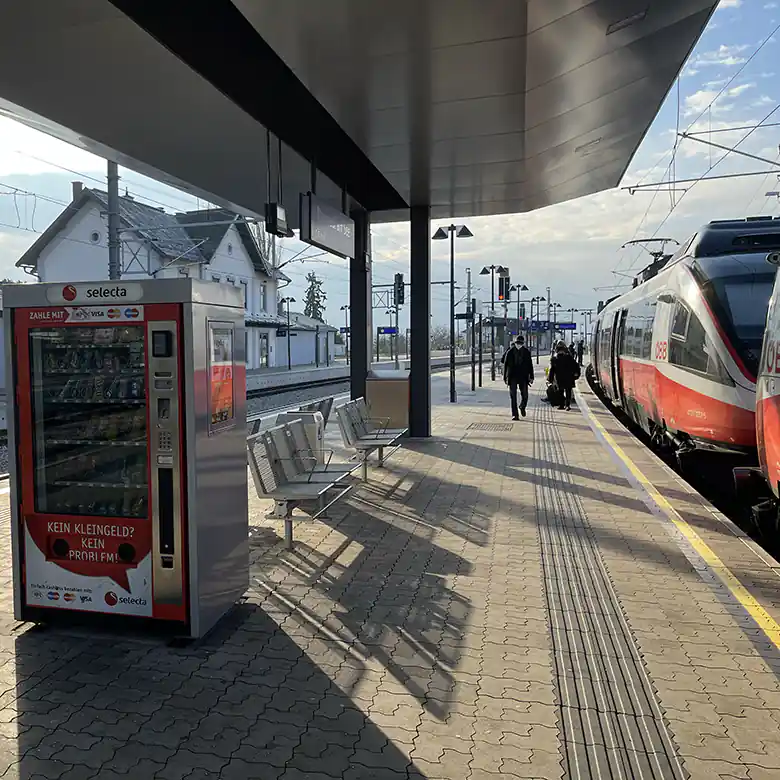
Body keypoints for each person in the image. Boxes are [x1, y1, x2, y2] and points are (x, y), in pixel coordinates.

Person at [503, 335, 534, 419]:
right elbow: (505, 365)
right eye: (517, 343)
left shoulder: (526, 352)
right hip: (512, 376)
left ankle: (522, 406)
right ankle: (515, 414)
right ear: (515, 343)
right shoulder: (510, 352)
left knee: (525, 395)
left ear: (523, 343)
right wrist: (505, 377)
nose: (519, 345)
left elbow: (530, 365)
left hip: (523, 376)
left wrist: (531, 376)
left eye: (520, 343)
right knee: (513, 396)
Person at [549, 342, 580, 410]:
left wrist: (550, 379)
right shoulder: (569, 357)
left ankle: (562, 405)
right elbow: (575, 366)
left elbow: (552, 370)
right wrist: (577, 374)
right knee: (568, 391)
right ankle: (567, 405)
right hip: (568, 378)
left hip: (560, 378)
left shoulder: (555, 359)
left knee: (561, 391)